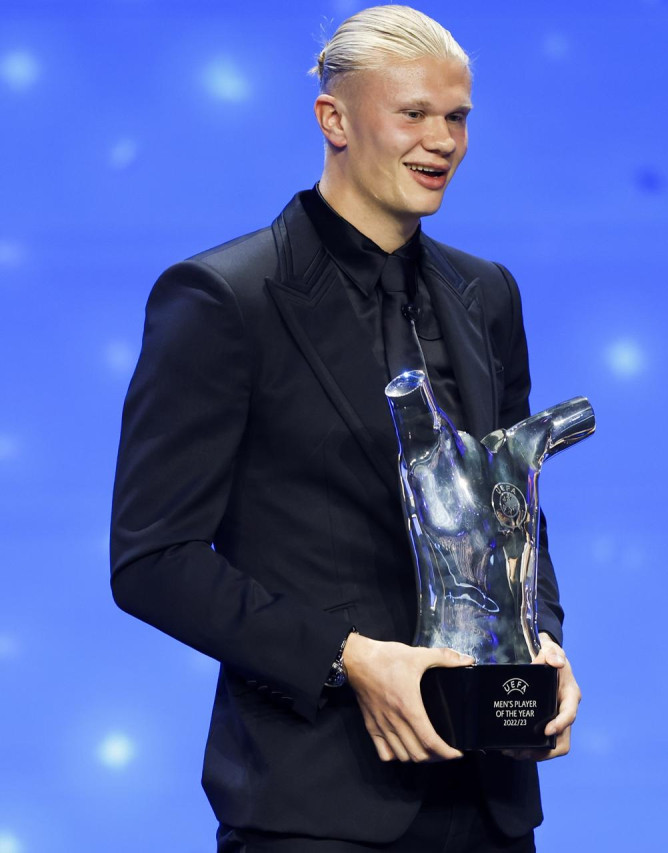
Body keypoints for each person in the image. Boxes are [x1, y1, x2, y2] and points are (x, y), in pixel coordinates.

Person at [110, 6, 580, 851]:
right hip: (318, 804)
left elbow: (516, 513)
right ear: (333, 119)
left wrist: (542, 640)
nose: (442, 140)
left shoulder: (488, 295)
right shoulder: (224, 299)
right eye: (413, 114)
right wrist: (351, 656)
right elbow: (153, 560)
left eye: (458, 117)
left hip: (490, 798)